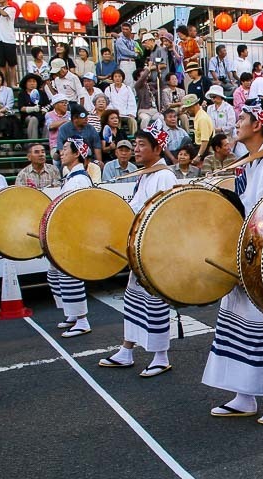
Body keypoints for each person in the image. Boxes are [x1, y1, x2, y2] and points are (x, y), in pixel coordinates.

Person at [202, 98, 263, 423]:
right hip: (245, 255)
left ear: (258, 123)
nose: (237, 121)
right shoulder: (253, 161)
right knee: (238, 327)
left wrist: (254, 263)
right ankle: (245, 396)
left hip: (260, 260)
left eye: (243, 116)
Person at [99, 123, 178, 376]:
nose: (136, 149)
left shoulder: (164, 175)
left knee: (154, 303)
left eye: (142, 145)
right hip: (140, 249)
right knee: (134, 300)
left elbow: (162, 214)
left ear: (158, 148)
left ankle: (160, 355)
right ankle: (127, 349)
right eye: (135, 145)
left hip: (155, 251)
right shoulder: (146, 174)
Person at [47, 137, 95, 338]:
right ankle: (72, 313)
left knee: (70, 277)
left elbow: (78, 210)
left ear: (77, 154)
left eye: (66, 148)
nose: (61, 152)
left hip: (74, 234)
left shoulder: (79, 179)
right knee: (55, 274)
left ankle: (81, 319)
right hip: (66, 234)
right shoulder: (71, 178)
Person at [57, 103, 103, 168]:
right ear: (75, 118)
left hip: (89, 159)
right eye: (83, 118)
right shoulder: (63, 129)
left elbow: (97, 146)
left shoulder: (91, 128)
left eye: (87, 117)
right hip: (71, 160)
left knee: (98, 166)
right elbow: (61, 149)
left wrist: (99, 161)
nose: (86, 119)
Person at [0, 0, 18, 87]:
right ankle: (4, 82)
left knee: (12, 64)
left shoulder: (11, 9)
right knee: (1, 64)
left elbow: (4, 14)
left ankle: (13, 83)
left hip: (9, 39)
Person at [181, 94, 214, 164]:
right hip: (198, 148)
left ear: (192, 107)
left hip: (204, 152)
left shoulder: (202, 119)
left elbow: (205, 140)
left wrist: (199, 156)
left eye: (187, 108)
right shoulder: (199, 116)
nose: (186, 111)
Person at [105, 69, 138, 135]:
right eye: (115, 76)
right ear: (113, 78)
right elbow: (108, 102)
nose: (117, 78)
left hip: (126, 114)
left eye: (119, 76)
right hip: (114, 114)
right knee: (116, 121)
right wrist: (114, 113)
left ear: (122, 78)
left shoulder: (127, 88)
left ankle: (134, 138)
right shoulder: (109, 89)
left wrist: (131, 113)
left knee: (133, 121)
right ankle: (117, 138)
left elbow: (131, 102)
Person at [18, 73, 50, 140]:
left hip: (41, 115)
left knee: (49, 119)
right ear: (25, 83)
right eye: (29, 81)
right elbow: (21, 108)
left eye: (34, 81)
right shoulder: (22, 94)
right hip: (28, 116)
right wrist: (33, 109)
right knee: (33, 119)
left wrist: (45, 109)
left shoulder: (42, 93)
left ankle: (45, 142)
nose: (32, 83)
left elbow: (48, 104)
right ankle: (33, 143)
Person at [45, 95, 71, 165]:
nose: (65, 105)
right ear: (55, 105)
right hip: (55, 145)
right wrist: (65, 120)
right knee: (56, 160)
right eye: (62, 103)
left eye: (66, 103)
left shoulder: (70, 114)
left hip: (70, 143)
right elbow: (51, 126)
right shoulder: (49, 115)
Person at [114, 23, 138, 88]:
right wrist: (134, 54)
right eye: (123, 29)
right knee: (127, 81)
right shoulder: (119, 40)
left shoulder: (133, 42)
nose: (124, 31)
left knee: (134, 80)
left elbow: (138, 51)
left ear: (130, 30)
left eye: (126, 29)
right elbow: (125, 51)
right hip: (124, 62)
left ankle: (134, 97)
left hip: (133, 62)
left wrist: (137, 53)